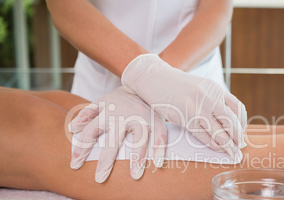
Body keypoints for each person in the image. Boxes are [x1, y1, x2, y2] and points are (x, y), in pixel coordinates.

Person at [1, 86, 284, 200]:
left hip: (174, 76)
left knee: (65, 106)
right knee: (65, 131)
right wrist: (140, 80)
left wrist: (148, 80)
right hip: (126, 66)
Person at [45, 0, 247, 182]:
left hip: (190, 82)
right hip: (101, 78)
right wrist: (144, 76)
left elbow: (216, 7)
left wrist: (157, 79)